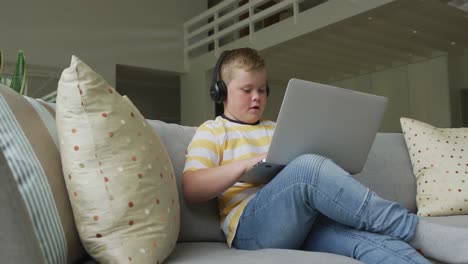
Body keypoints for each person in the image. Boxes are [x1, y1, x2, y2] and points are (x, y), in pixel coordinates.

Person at [182, 47, 468, 264]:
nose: (257, 97)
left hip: (304, 221)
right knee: (307, 166)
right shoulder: (214, 131)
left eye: (262, 89)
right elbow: (193, 188)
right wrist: (247, 163)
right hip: (251, 230)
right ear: (221, 92)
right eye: (246, 90)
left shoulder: (279, 128)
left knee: (372, 244)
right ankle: (414, 228)